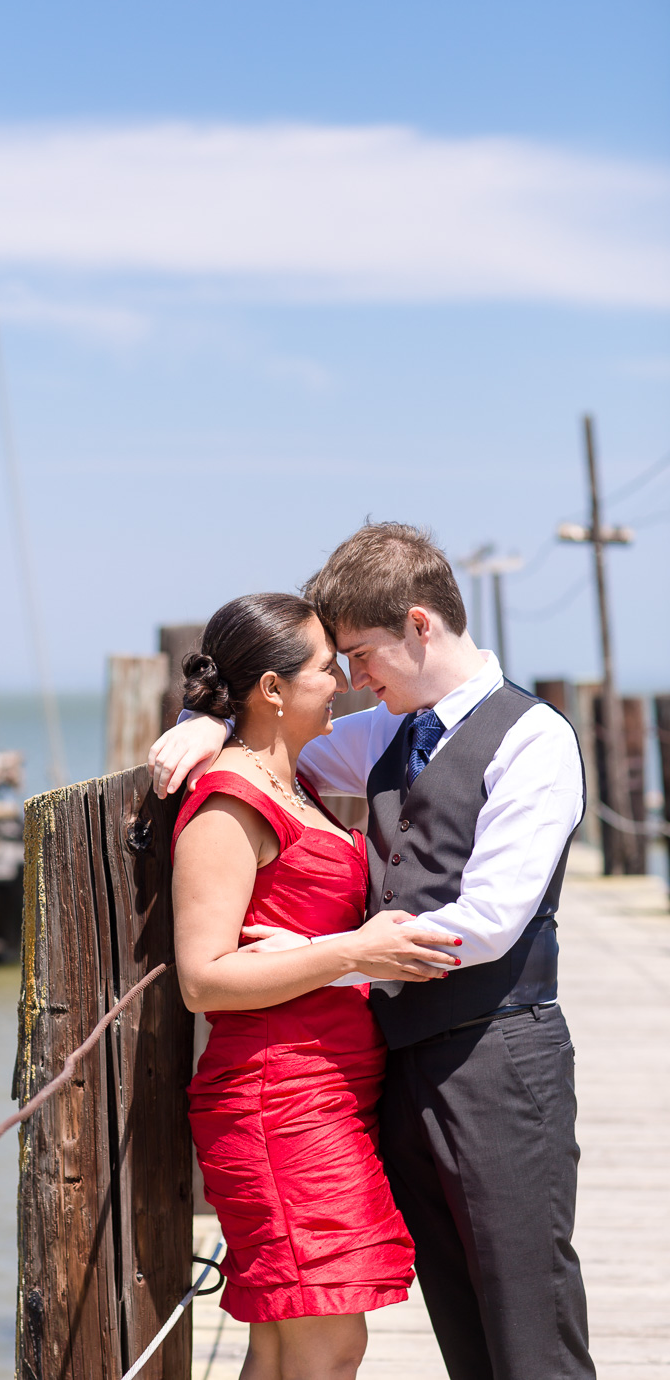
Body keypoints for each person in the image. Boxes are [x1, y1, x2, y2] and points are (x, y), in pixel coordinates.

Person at [152, 523, 595, 1380]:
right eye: (340, 663)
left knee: (527, 1313)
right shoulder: (388, 734)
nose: (354, 681)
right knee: (461, 1323)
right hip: (391, 1071)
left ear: (420, 626)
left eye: (361, 655)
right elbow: (269, 742)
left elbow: (492, 920)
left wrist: (334, 955)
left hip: (498, 1057)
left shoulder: (533, 739)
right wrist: (203, 724)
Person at [170, 590, 463, 1380]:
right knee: (329, 1345)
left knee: (284, 1343)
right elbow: (204, 978)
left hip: (324, 1097)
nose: (344, 681)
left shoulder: (288, 780)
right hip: (277, 1101)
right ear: (271, 689)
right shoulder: (231, 804)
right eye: (326, 668)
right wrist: (350, 951)